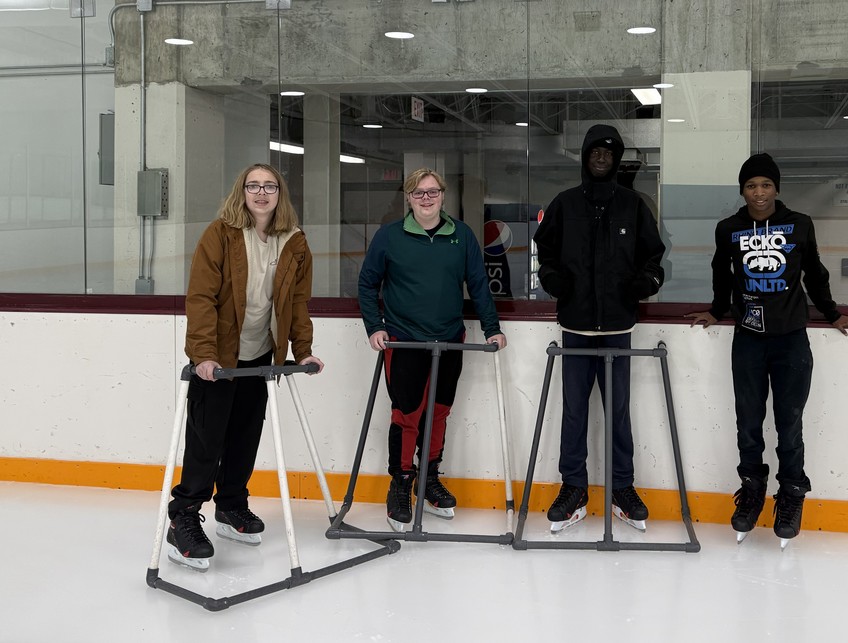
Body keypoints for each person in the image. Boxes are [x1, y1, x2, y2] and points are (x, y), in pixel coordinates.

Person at [686, 153, 848, 548]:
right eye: (751, 185)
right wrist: (717, 310)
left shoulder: (799, 224)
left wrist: (833, 314)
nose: (759, 192)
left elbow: (814, 273)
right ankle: (752, 489)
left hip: (790, 340)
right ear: (742, 190)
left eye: (766, 185)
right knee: (748, 423)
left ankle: (791, 495)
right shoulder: (728, 228)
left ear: (776, 188)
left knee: (789, 424)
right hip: (748, 340)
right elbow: (721, 273)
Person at [166, 163, 325, 571]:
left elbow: (298, 303)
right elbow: (200, 297)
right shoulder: (220, 234)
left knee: (244, 435)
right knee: (207, 439)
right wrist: (203, 354)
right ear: (242, 192)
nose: (261, 193)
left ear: (279, 194)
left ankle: (231, 504)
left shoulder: (294, 241)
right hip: (218, 357)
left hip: (260, 355)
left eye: (269, 186)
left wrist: (302, 351)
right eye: (253, 186)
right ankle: (183, 517)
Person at [532, 124, 666, 533]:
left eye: (609, 152)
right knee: (574, 413)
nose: (602, 158)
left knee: (618, 412)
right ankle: (573, 488)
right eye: (595, 151)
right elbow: (545, 250)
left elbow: (654, 255)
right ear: (586, 157)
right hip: (575, 327)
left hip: (618, 327)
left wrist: (647, 282)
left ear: (617, 158)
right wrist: (551, 279)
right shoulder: (565, 203)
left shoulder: (634, 205)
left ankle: (621, 488)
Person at [358, 168, 507, 532]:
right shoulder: (389, 236)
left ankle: (428, 479)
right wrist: (375, 327)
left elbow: (478, 283)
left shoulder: (462, 235)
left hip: (449, 338)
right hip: (405, 340)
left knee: (439, 413)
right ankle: (400, 483)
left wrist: (492, 328)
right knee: (407, 414)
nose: (426, 198)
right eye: (418, 193)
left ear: (443, 195)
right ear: (408, 198)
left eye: (433, 192)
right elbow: (367, 283)